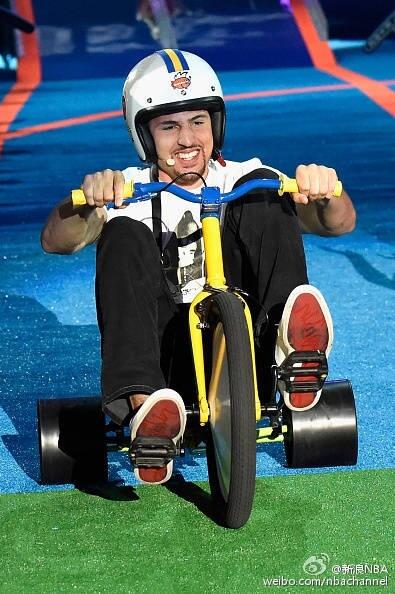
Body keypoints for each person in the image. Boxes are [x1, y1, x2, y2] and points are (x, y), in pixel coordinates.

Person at [41, 49, 356, 485]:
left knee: (261, 192)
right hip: (167, 367)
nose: (187, 139)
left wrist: (325, 192)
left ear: (217, 125)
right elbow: (56, 241)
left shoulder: (246, 175)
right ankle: (146, 414)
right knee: (122, 232)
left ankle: (292, 356)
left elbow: (338, 223)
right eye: (169, 127)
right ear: (143, 135)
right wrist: (88, 202)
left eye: (198, 122)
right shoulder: (125, 190)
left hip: (249, 353)